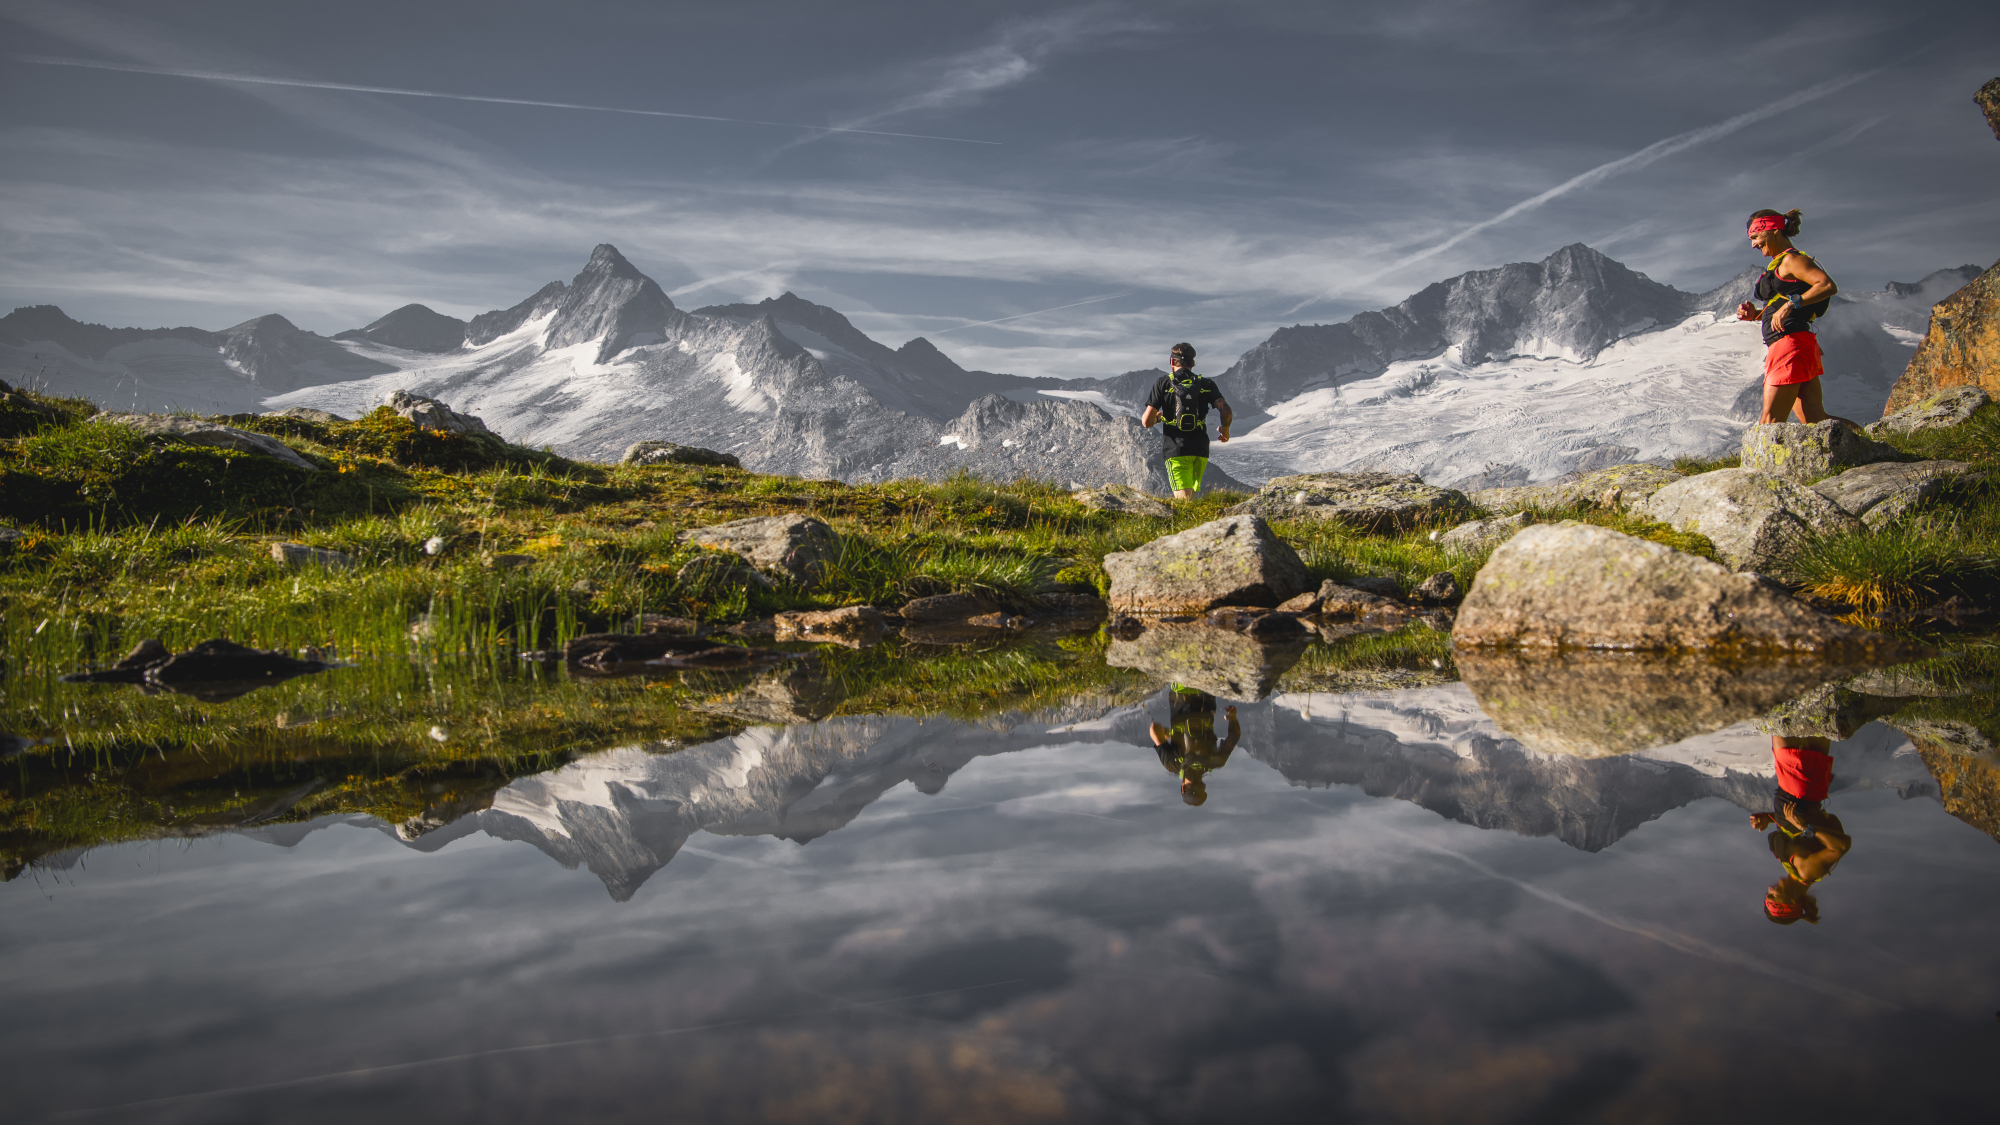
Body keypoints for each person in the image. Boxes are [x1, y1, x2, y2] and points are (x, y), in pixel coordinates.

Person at [1734, 209, 1841, 426]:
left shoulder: (1792, 260)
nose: (1753, 244)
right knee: (1816, 421)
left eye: (1755, 237)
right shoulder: (1780, 263)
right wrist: (1756, 316)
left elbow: (1827, 285)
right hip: (1798, 343)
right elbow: (1781, 304)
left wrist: (1792, 304)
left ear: (1773, 230)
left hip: (1789, 344)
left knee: (1769, 422)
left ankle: (1757, 462)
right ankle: (1872, 441)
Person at [1747, 735, 1852, 925]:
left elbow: (1791, 827)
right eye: (1774, 898)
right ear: (1792, 901)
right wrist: (1806, 827)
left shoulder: (1794, 870)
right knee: (1781, 722)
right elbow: (1841, 846)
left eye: (1767, 896)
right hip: (1798, 787)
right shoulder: (1806, 871)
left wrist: (1769, 818)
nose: (1769, 891)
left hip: (1810, 786)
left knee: (1818, 719)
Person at [1139, 342, 1233, 500]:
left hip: (1176, 449)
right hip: (1200, 450)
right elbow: (1225, 410)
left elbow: (1146, 422)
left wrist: (1160, 417)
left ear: (1171, 362)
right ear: (1193, 363)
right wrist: (1225, 431)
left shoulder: (1163, 383)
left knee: (1183, 501)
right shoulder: (1206, 384)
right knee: (1191, 496)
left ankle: (1193, 525)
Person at [1149, 687, 1241, 806]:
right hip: (1180, 693)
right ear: (1183, 788)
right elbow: (1154, 728)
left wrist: (1232, 717)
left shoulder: (1216, 762)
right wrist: (1166, 735)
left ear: (1203, 786)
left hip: (1206, 694)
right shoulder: (1172, 764)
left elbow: (1234, 736)